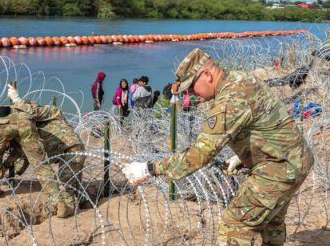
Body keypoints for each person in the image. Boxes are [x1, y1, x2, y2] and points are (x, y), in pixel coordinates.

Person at [122, 48, 314, 246]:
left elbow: (201, 153)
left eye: (191, 88)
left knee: (234, 227)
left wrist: (150, 169)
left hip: (279, 168)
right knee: (271, 222)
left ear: (207, 75)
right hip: (296, 159)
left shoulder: (228, 99)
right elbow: (269, 122)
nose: (191, 95)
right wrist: (244, 156)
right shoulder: (241, 79)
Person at [0, 106, 72, 218]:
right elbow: (21, 152)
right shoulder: (17, 110)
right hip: (25, 123)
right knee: (40, 165)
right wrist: (10, 165)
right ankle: (59, 204)